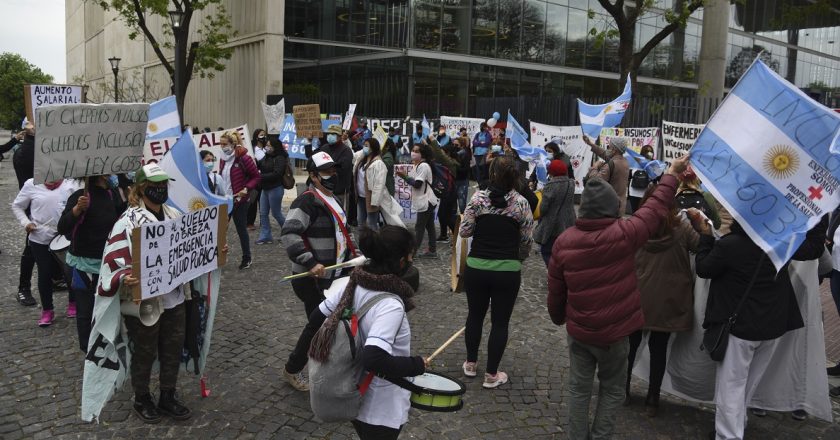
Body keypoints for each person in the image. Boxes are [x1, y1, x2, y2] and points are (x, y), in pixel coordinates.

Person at [546, 154, 690, 440]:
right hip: (615, 334)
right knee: (612, 390)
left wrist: (559, 317)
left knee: (578, 390)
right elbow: (654, 209)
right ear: (611, 207)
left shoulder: (563, 243)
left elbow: (556, 290)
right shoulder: (624, 233)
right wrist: (672, 174)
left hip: (580, 332)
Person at [692, 213, 821, 439]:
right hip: (771, 324)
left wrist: (705, 237)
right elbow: (813, 249)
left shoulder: (731, 245)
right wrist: (820, 214)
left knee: (731, 386)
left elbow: (704, 268)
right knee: (748, 384)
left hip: (739, 328)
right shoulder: (781, 243)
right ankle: (737, 425)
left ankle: (729, 435)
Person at [97, 164, 209, 424]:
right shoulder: (127, 221)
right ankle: (142, 397)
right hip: (144, 302)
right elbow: (113, 258)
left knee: (173, 348)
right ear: (141, 188)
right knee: (145, 351)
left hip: (175, 298)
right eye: (154, 185)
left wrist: (211, 250)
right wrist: (125, 276)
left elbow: (190, 247)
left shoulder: (175, 214)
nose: (160, 189)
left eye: (163, 184)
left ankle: (168, 395)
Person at [299, 226, 426, 439]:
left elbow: (316, 318)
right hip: (381, 407)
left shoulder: (352, 285)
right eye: (410, 255)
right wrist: (416, 365)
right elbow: (373, 358)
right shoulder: (390, 305)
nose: (411, 260)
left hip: (355, 393)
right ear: (400, 261)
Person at [281, 151, 358, 391]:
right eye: (326, 172)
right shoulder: (307, 201)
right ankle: (292, 369)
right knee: (317, 325)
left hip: (334, 277)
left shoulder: (335, 199)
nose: (332, 175)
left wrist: (355, 255)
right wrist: (310, 262)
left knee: (330, 325)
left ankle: (329, 368)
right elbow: (289, 233)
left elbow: (345, 233)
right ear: (313, 176)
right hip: (311, 278)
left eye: (334, 170)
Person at [458, 155, 534, 388]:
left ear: (491, 174)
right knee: (500, 322)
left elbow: (465, 231)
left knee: (475, 315)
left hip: (477, 267)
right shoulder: (521, 203)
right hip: (507, 269)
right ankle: (492, 374)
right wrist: (518, 258)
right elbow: (527, 240)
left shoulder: (478, 198)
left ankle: (471, 363)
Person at [625, 184, 699, 417]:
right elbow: (701, 246)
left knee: (630, 346)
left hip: (638, 295)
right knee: (658, 350)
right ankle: (652, 399)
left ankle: (622, 390)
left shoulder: (636, 227)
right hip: (669, 299)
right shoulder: (683, 228)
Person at [58, 175, 126, 352]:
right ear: (102, 175)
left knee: (108, 309)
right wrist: (76, 210)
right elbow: (62, 227)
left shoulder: (112, 194)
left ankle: (107, 349)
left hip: (108, 264)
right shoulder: (80, 196)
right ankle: (88, 351)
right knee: (86, 311)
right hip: (84, 266)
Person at [12, 178, 78, 326]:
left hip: (65, 236)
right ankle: (47, 310)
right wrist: (26, 223)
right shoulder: (31, 184)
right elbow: (17, 206)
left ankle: (73, 302)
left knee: (70, 270)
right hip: (40, 236)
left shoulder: (71, 184)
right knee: (44, 273)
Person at [1, 119, 37, 306]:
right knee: (31, 247)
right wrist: (28, 137)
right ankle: (24, 288)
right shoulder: (23, 153)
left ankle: (56, 277)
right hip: (34, 207)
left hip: (56, 204)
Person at [219, 131, 261, 269]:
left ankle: (246, 258)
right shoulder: (222, 159)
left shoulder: (244, 158)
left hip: (239, 200)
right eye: (221, 144)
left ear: (233, 144)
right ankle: (218, 257)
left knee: (241, 229)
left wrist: (246, 189)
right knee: (220, 230)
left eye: (225, 144)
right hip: (225, 199)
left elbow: (256, 176)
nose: (222, 146)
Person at [396, 144, 439, 258]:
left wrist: (404, 176)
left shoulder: (423, 166)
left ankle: (412, 252)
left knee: (419, 228)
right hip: (426, 200)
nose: (413, 153)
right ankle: (432, 250)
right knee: (429, 226)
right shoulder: (418, 165)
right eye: (413, 150)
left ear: (422, 154)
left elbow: (417, 184)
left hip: (426, 201)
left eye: (416, 151)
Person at [533, 160, 576, 265]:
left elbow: (543, 208)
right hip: (568, 222)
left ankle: (554, 270)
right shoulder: (571, 183)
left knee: (547, 251)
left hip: (553, 224)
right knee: (564, 249)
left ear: (552, 172)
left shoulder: (551, 185)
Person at [583, 136, 630, 216]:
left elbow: (595, 181)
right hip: (620, 206)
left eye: (609, 147)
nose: (607, 149)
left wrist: (595, 167)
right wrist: (590, 144)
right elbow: (604, 153)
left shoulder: (611, 164)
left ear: (614, 150)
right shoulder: (624, 161)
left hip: (609, 207)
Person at [255, 137, 289, 244]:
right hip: (265, 189)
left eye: (269, 145)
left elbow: (277, 174)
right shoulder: (266, 156)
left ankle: (289, 232)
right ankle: (266, 235)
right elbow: (259, 165)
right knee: (263, 213)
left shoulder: (280, 158)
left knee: (276, 213)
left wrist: (261, 177)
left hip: (275, 188)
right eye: (267, 145)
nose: (267, 147)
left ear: (275, 146)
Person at [676, 165, 721, 230]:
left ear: (679, 178)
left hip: (680, 234)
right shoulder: (706, 196)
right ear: (697, 177)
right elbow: (717, 224)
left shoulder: (672, 196)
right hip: (702, 234)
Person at [354, 138, 385, 230]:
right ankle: (362, 239)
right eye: (364, 145)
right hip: (360, 196)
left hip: (371, 199)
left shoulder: (378, 163)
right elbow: (352, 155)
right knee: (360, 222)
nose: (364, 147)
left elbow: (379, 184)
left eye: (367, 146)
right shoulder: (361, 159)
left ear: (373, 148)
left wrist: (375, 202)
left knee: (372, 224)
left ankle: (373, 240)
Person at [248, 129, 268, 230]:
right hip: (254, 180)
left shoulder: (266, 149)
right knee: (252, 201)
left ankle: (264, 222)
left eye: (264, 135)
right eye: (261, 135)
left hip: (264, 179)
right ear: (256, 137)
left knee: (263, 202)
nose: (263, 137)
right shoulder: (252, 149)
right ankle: (249, 222)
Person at [627, 144, 656, 213]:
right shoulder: (654, 164)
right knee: (642, 213)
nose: (650, 153)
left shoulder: (635, 162)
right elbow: (657, 179)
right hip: (639, 194)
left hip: (640, 193)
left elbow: (629, 176)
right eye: (648, 152)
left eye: (650, 152)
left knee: (637, 213)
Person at [453, 136, 473, 214]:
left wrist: (456, 168)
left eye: (456, 145)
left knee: (461, 203)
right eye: (453, 144)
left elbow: (465, 168)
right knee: (454, 202)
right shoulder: (455, 153)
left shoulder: (463, 153)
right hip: (455, 180)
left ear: (461, 145)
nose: (454, 146)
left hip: (462, 180)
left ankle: (462, 219)